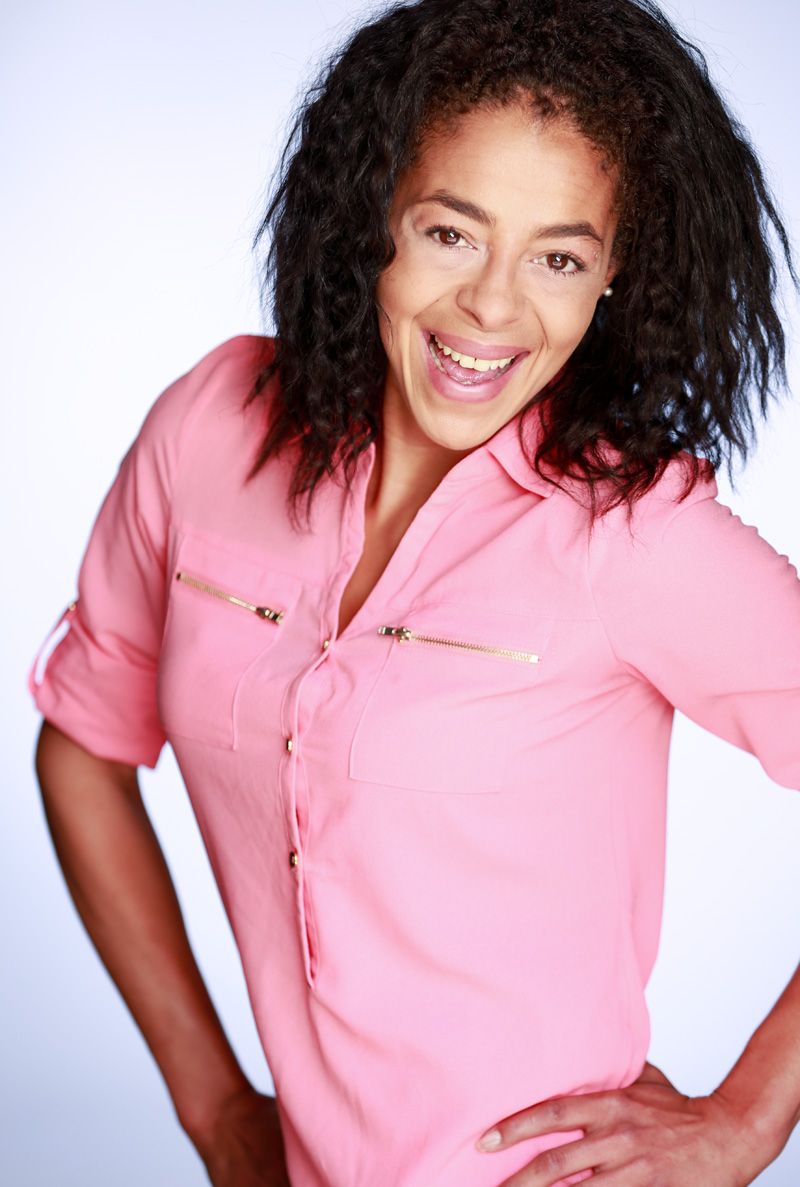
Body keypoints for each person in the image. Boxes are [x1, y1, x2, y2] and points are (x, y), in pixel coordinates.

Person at [28, 0, 800, 1183]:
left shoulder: (629, 532)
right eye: (450, 232)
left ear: (612, 277)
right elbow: (83, 746)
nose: (492, 306)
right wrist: (213, 1102)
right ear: (373, 215)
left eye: (557, 256)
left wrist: (749, 1114)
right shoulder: (209, 429)